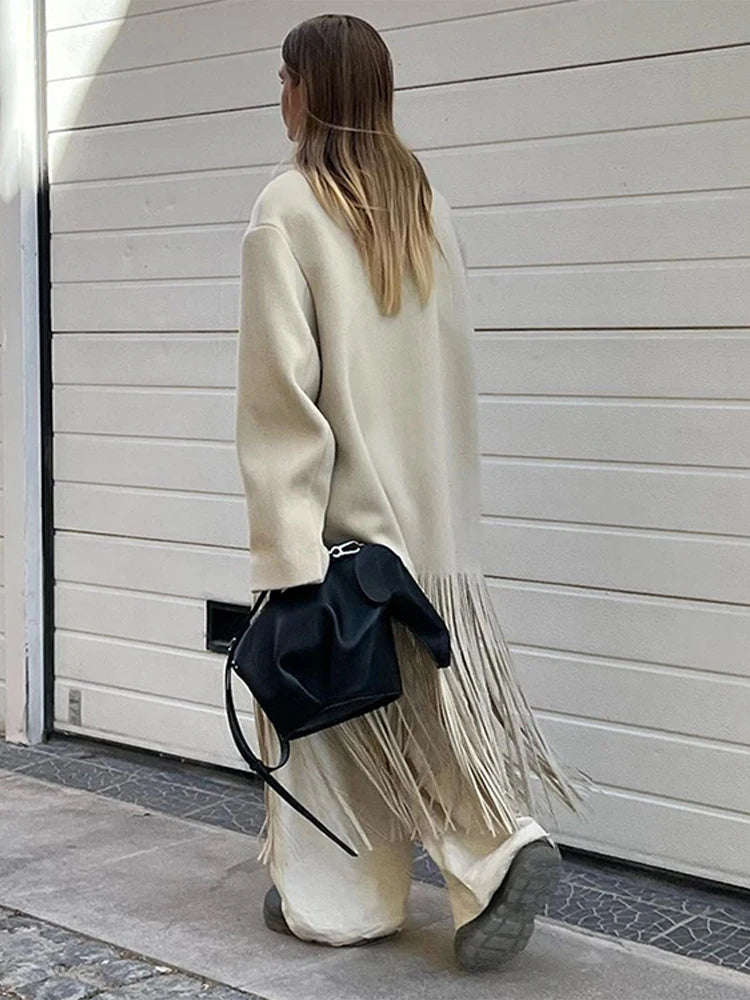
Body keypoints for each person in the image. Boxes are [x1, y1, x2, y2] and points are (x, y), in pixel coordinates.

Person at [234, 12, 595, 972]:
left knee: (323, 723)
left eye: (285, 78)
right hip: (433, 533)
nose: (280, 96)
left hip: (345, 529)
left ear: (313, 88)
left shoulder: (290, 207)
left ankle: (346, 901)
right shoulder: (424, 205)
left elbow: (283, 400)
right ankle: (497, 852)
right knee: (425, 711)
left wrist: (285, 546)